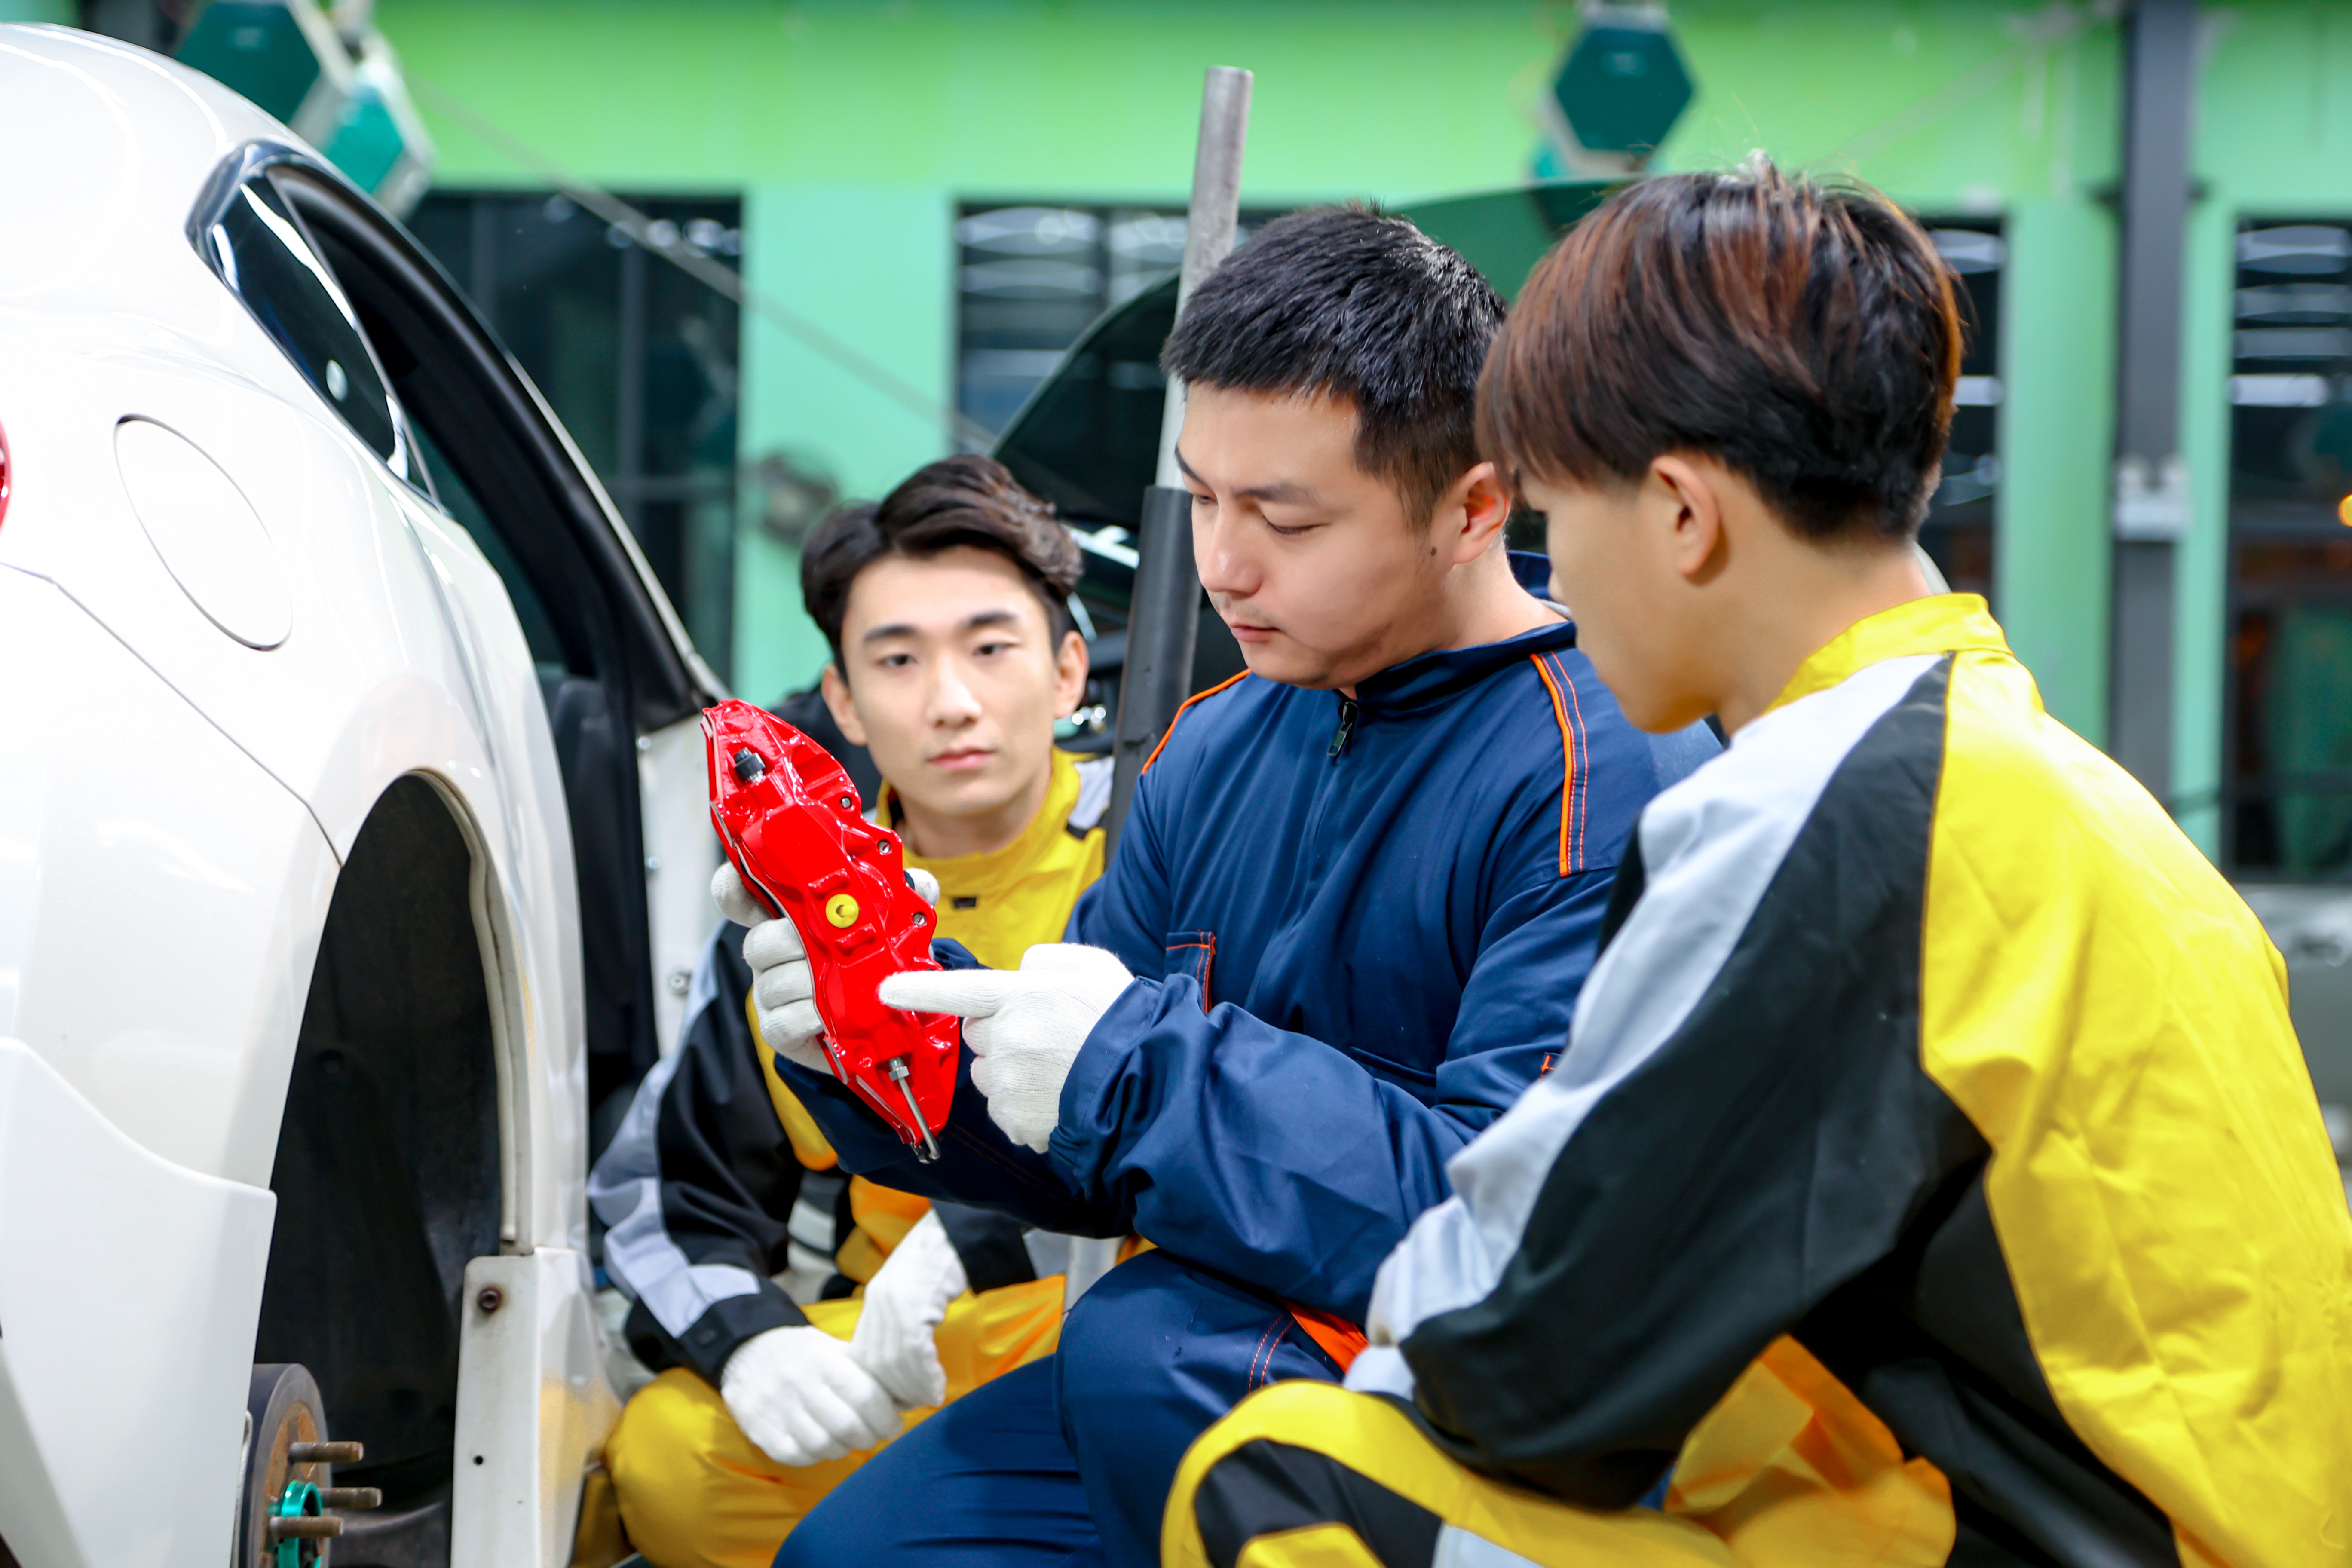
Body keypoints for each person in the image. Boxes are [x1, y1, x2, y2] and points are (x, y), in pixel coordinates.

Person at [1164, 158, 2352, 1568]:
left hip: (2077, 1539)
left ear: (1681, 513)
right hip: (2187, 1512)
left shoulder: (1821, 808)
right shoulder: (2041, 781)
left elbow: (1527, 1362)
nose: (1554, 577)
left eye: (1556, 515)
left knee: (1288, 1472)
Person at [747, 207, 1719, 1568]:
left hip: (1440, 1408)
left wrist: (1135, 1071)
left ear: (1474, 505)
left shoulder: (1600, 770)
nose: (1223, 564)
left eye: (1286, 517)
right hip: (1185, 1363)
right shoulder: (1219, 740)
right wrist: (876, 1037)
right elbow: (1068, 1124)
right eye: (1204, 498)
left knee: (1147, 1359)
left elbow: (1509, 1230)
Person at [590, 456, 1113, 1568]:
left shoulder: (1160, 846)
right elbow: (664, 1197)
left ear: (1069, 672)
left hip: (1108, 1330)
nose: (951, 701)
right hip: (894, 1356)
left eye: (990, 647)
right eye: (898, 659)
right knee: (667, 1459)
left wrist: (975, 1235)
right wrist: (753, 1346)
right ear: (843, 703)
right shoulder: (785, 920)